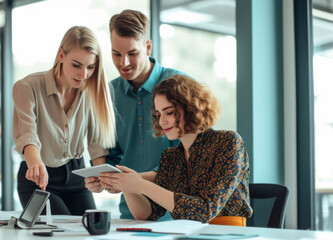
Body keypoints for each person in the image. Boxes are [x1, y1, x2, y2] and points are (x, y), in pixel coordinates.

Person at [99, 75, 253, 226]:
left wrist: (141, 185)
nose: (161, 121)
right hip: (185, 233)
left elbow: (205, 211)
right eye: (158, 114)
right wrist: (128, 186)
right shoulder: (170, 157)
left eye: (169, 112)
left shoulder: (228, 142)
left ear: (191, 108)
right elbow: (148, 214)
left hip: (228, 234)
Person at [85, 9, 186, 219]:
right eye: (116, 54)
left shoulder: (180, 86)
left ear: (148, 47)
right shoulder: (109, 94)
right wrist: (104, 177)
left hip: (178, 213)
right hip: (131, 214)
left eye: (132, 53)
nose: (124, 63)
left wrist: (136, 180)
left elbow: (193, 154)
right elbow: (113, 154)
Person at [12, 26, 116, 215]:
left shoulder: (91, 92)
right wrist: (35, 162)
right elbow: (27, 135)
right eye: (76, 65)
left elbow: (96, 143)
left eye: (90, 67)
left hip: (77, 176)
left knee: (91, 231)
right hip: (38, 178)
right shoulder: (27, 87)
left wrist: (100, 177)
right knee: (61, 234)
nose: (83, 74)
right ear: (61, 55)